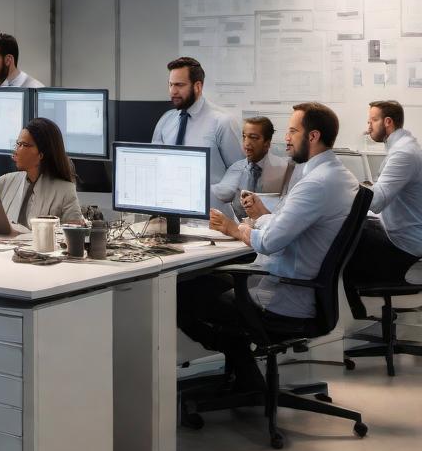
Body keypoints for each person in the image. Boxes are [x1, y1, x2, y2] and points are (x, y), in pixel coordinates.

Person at [178, 103, 358, 392]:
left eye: (292, 131)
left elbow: (272, 241)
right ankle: (246, 372)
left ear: (312, 136)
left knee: (182, 291)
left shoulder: (315, 183)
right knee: (210, 282)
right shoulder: (340, 176)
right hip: (306, 289)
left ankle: (244, 368)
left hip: (283, 295)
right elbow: (292, 225)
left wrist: (235, 229)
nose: (285, 137)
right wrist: (263, 216)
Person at [342, 100, 422, 318]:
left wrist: (343, 188)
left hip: (405, 244)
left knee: (340, 241)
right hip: (403, 235)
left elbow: (376, 202)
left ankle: (343, 318)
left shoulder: (403, 154)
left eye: (373, 120)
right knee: (354, 228)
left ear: (388, 122)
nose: (368, 126)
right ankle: (351, 312)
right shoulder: (404, 148)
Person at [151, 56, 242, 188]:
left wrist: (215, 194)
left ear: (197, 86)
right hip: (171, 201)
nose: (173, 91)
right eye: (171, 84)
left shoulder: (223, 122)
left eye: (179, 85)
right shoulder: (166, 120)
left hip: (211, 205)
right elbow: (156, 162)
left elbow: (238, 170)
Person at [0, 117, 85, 229]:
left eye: (23, 144)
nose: (16, 150)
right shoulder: (4, 182)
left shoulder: (65, 191)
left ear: (41, 155)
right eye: (17, 144)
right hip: (1, 246)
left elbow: (75, 236)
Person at [212, 117, 292, 219]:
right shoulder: (236, 169)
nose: (246, 143)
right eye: (244, 137)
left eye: (253, 137)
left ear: (267, 143)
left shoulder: (284, 169)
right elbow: (219, 195)